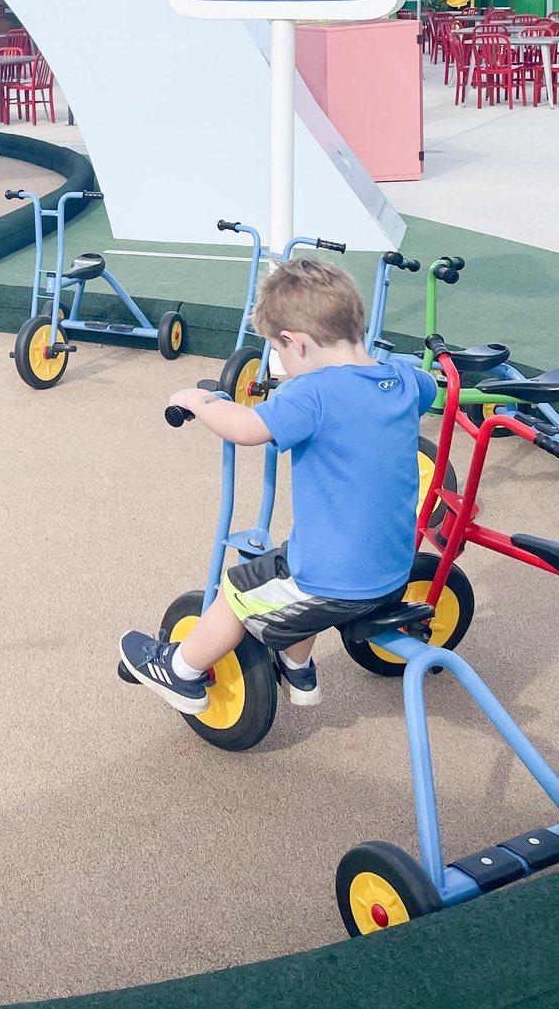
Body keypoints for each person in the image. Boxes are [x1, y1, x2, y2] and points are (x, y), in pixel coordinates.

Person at [118, 257, 437, 712]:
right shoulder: (404, 380)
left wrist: (200, 400)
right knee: (291, 559)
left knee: (239, 591)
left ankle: (180, 670)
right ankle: (298, 670)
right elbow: (429, 388)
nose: (281, 364)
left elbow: (245, 427)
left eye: (278, 351)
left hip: (334, 581)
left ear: (297, 343)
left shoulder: (313, 394)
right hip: (392, 572)